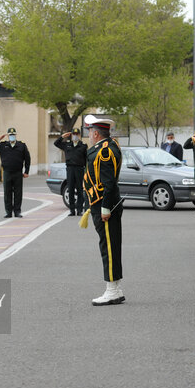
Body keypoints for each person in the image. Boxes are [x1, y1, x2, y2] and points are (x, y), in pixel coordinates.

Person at [83, 115, 125, 306]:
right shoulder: (110, 146)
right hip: (103, 204)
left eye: (90, 133)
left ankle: (112, 290)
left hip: (104, 206)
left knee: (108, 248)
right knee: (111, 246)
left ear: (97, 133)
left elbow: (108, 184)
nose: (89, 136)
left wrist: (105, 207)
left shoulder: (104, 152)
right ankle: (115, 287)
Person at [0, 127, 31, 218]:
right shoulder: (3, 145)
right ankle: (8, 212)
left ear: (16, 135)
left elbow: (27, 159)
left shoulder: (21, 145)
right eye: (10, 135)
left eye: (13, 135)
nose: (12, 136)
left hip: (18, 173)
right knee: (7, 193)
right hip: (7, 172)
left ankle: (17, 211)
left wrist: (26, 171)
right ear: (8, 136)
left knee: (18, 193)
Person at [54, 127, 88, 216]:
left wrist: (86, 171)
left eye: (77, 134)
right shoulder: (67, 144)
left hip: (79, 169)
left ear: (79, 135)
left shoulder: (83, 146)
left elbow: (86, 160)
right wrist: (63, 136)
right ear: (71, 135)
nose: (75, 136)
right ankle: (72, 210)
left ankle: (79, 209)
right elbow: (56, 143)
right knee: (71, 189)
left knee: (80, 190)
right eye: (74, 134)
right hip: (70, 169)